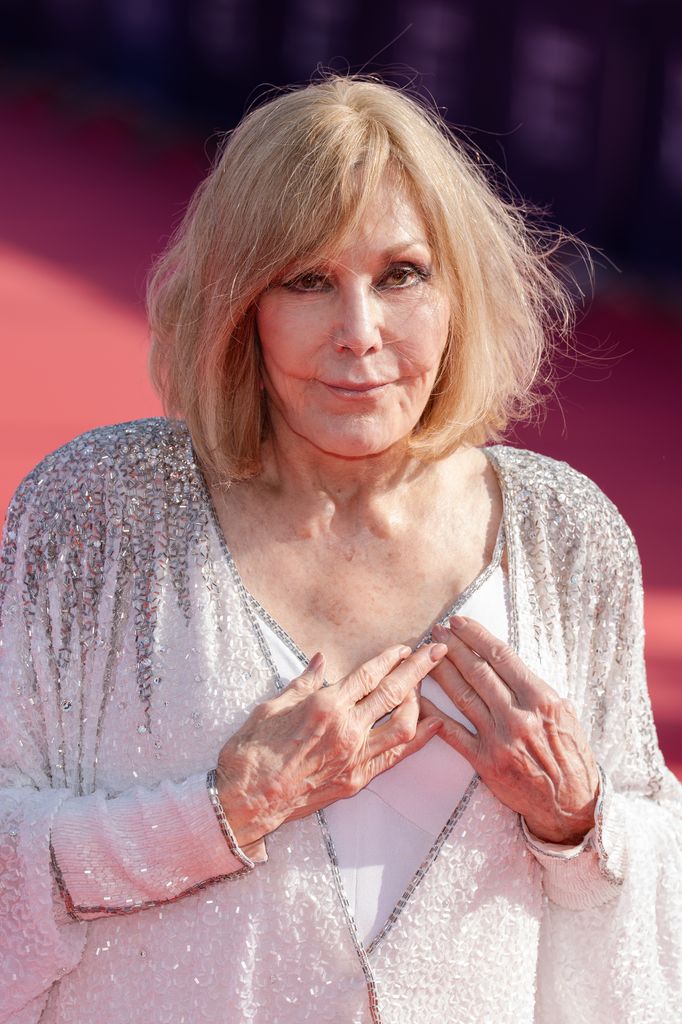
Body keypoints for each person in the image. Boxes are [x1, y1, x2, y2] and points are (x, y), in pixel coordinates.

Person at [0, 75, 680, 1024]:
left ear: (460, 293)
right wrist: (219, 814)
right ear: (241, 306)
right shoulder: (103, 516)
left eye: (402, 275)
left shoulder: (566, 534)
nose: (360, 335)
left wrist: (581, 821)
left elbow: (655, 892)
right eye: (308, 281)